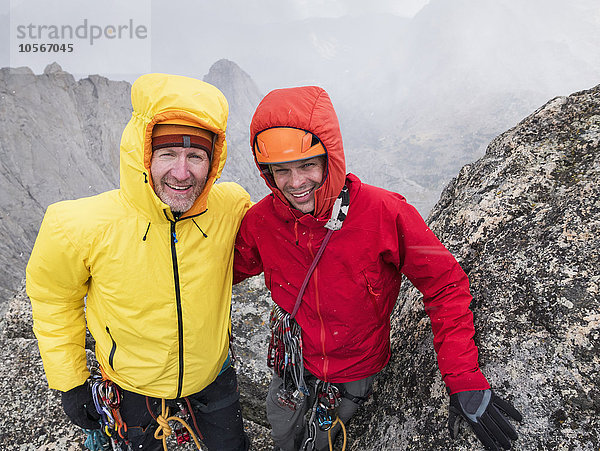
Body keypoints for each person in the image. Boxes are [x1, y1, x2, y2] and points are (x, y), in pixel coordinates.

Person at [233, 86, 522, 451]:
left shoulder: (385, 213)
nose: (295, 183)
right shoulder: (262, 222)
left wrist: (463, 377)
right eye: (281, 171)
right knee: (282, 435)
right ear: (266, 172)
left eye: (307, 165)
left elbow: (445, 282)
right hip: (291, 364)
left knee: (321, 444)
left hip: (354, 374)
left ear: (330, 159)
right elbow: (225, 270)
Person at [26, 73, 252, 450]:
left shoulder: (229, 207)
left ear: (214, 161)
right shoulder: (78, 226)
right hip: (132, 389)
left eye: (196, 155)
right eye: (167, 154)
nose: (182, 173)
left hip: (212, 376)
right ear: (142, 154)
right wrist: (71, 382)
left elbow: (283, 230)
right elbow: (53, 299)